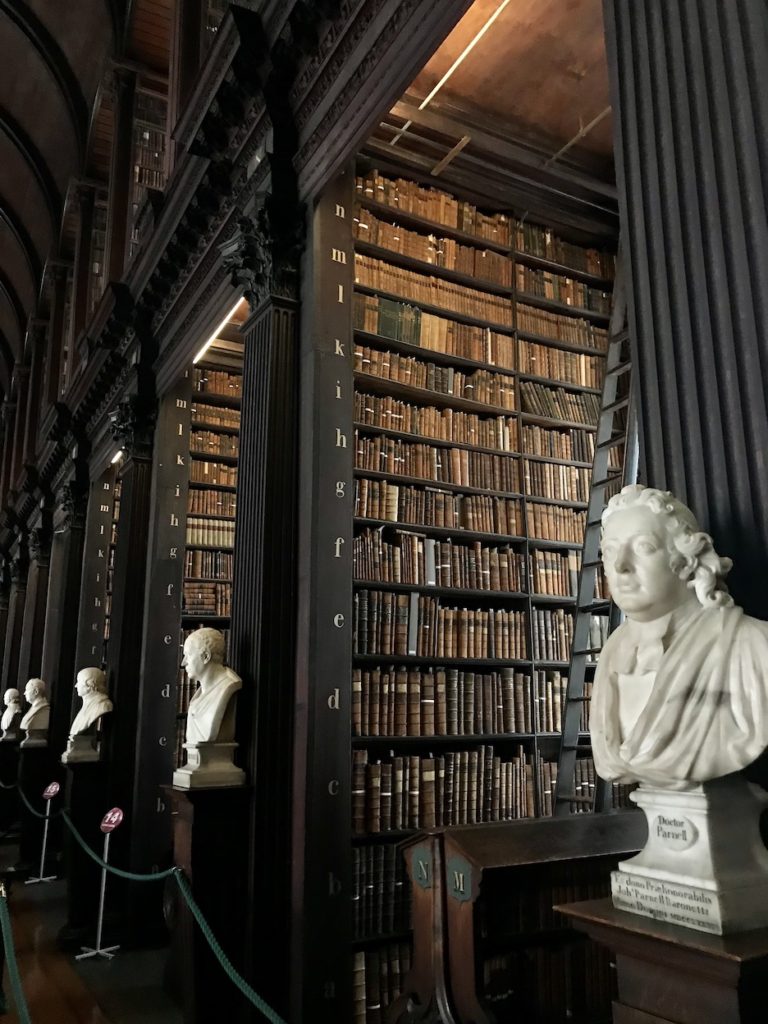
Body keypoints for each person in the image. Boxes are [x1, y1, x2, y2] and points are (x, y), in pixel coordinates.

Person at [590, 484, 768, 788]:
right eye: (610, 550)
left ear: (686, 562)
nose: (620, 566)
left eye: (644, 547)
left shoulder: (754, 647)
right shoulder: (612, 654)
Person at [182, 628, 242, 744]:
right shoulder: (198, 696)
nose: (183, 662)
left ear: (206, 656)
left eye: (188, 655)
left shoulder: (227, 685)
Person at [69, 667, 113, 736]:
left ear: (89, 684)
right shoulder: (87, 705)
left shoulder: (103, 706)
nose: (76, 686)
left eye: (79, 681)